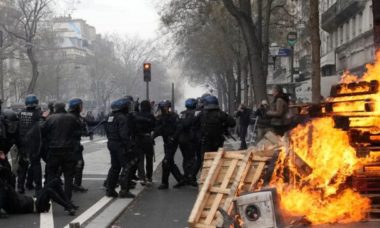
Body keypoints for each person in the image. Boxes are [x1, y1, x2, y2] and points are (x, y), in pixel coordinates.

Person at [0, 151, 77, 218]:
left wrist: (3, 160)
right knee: (49, 191)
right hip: (36, 206)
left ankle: (68, 204)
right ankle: (68, 207)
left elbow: (8, 175)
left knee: (56, 181)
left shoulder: (6, 186)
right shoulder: (3, 191)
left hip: (34, 199)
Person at [41, 102, 81, 201]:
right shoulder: (72, 118)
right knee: (68, 176)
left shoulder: (50, 118)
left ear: (55, 109)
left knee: (51, 174)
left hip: (54, 150)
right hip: (68, 151)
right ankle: (67, 199)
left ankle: (49, 196)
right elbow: (78, 131)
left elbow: (43, 132)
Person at [105, 97, 136, 198]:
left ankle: (110, 189)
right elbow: (124, 135)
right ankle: (124, 190)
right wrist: (129, 146)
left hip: (111, 143)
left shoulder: (110, 116)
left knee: (115, 167)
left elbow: (106, 130)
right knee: (126, 167)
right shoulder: (122, 117)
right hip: (120, 145)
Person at [193, 95, 236, 169]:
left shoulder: (201, 114)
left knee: (206, 162)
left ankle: (206, 177)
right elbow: (233, 123)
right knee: (217, 161)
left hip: (205, 142)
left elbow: (194, 126)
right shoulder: (221, 113)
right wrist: (224, 125)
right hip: (218, 141)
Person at [153, 100, 185, 190]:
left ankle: (165, 183)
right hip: (166, 142)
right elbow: (157, 130)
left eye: (165, 107)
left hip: (172, 142)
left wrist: (174, 137)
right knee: (169, 162)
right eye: (162, 107)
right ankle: (180, 179)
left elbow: (179, 128)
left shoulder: (174, 116)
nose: (164, 109)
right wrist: (152, 137)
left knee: (166, 161)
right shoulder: (160, 117)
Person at [17, 94, 43, 194]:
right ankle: (38, 187)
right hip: (34, 143)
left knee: (23, 165)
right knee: (36, 165)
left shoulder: (21, 113)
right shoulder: (38, 113)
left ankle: (20, 187)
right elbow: (41, 127)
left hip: (23, 142)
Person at [68, 98, 93, 193]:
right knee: (78, 164)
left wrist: (103, 120)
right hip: (72, 144)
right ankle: (76, 184)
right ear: (76, 107)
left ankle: (75, 184)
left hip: (75, 145)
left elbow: (88, 122)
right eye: (80, 105)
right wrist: (84, 133)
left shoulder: (78, 117)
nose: (82, 107)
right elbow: (71, 131)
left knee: (77, 164)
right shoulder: (71, 117)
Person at [176, 98, 198, 186]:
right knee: (192, 158)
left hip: (182, 139)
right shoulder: (195, 114)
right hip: (191, 139)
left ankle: (186, 175)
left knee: (185, 158)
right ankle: (191, 177)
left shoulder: (182, 114)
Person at [134, 100, 155, 185]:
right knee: (149, 158)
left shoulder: (137, 115)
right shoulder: (150, 115)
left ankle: (142, 177)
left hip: (138, 138)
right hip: (147, 138)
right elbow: (154, 126)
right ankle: (149, 176)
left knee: (140, 159)